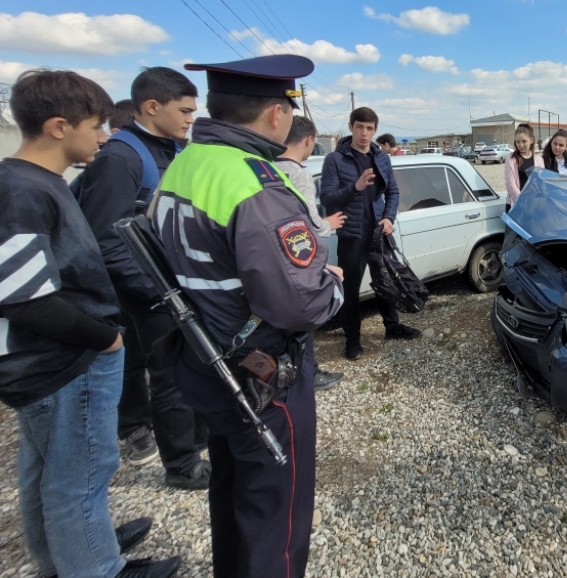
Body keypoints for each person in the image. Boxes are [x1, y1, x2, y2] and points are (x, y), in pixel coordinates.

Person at [153, 54, 345, 578]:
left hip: (204, 362)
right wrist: (333, 287)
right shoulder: (256, 184)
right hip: (261, 374)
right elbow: (300, 301)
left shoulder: (186, 163)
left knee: (233, 491)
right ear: (276, 114)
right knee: (274, 516)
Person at [0, 70, 180, 578]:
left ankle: (69, 551)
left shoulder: (39, 183)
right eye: (97, 126)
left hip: (60, 357)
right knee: (80, 475)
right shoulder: (21, 190)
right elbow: (24, 298)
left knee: (48, 473)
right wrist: (107, 338)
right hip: (64, 361)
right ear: (59, 126)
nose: (104, 137)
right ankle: (98, 566)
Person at [77, 67, 211, 490]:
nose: (191, 118)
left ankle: (195, 437)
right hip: (148, 290)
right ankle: (183, 464)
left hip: (171, 281)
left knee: (183, 367)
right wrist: (163, 292)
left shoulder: (172, 150)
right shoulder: (122, 158)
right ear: (152, 107)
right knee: (168, 372)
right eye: (185, 110)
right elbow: (106, 240)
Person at [321, 107, 421, 361]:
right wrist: (354, 188)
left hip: (378, 233)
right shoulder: (335, 159)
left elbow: (393, 193)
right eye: (359, 127)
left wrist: (389, 217)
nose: (364, 133)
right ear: (351, 127)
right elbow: (328, 198)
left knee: (385, 282)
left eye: (369, 128)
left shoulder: (381, 158)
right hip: (352, 235)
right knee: (350, 290)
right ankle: (352, 340)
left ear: (375, 130)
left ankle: (392, 327)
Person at [275, 115, 347, 391]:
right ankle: (308, 375)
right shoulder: (299, 174)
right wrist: (327, 224)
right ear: (308, 140)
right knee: (303, 324)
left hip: (276, 257)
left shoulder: (265, 168)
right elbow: (310, 223)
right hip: (300, 257)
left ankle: (287, 373)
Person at [504, 123, 544, 211]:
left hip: (534, 205)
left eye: (524, 141)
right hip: (516, 205)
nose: (520, 145)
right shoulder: (511, 160)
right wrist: (523, 202)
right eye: (517, 142)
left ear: (531, 140)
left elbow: (541, 183)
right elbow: (510, 186)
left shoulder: (539, 160)